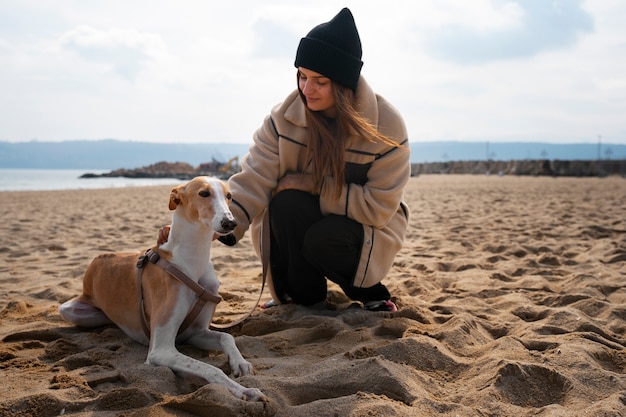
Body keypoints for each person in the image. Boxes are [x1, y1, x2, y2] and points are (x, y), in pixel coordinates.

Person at [160, 8, 410, 312]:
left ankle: (371, 292)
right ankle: (302, 297)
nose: (307, 89)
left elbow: (379, 207)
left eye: (320, 81)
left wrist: (313, 186)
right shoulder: (282, 119)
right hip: (304, 220)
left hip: (366, 229)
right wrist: (220, 225)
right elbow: (253, 180)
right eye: (302, 76)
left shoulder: (387, 126)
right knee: (285, 202)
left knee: (322, 236)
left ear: (344, 84)